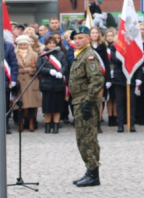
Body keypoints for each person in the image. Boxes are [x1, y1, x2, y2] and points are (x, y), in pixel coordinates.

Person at [68, 26, 105, 187]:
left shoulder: (89, 56)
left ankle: (93, 174)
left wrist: (89, 101)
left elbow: (97, 80)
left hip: (86, 102)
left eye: (81, 38)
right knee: (82, 138)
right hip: (79, 101)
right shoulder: (80, 55)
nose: (77, 41)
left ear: (88, 39)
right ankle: (90, 170)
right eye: (75, 38)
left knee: (88, 138)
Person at [37, 36, 67, 133]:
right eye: (50, 43)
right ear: (46, 44)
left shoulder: (61, 54)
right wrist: (49, 71)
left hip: (58, 83)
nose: (52, 45)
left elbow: (65, 65)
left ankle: (56, 126)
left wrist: (61, 72)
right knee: (47, 107)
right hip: (47, 83)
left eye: (54, 43)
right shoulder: (42, 54)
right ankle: (47, 125)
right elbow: (39, 68)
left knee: (57, 106)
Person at [14, 35, 42, 131]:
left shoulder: (34, 54)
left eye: (24, 44)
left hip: (31, 81)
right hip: (19, 81)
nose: (23, 46)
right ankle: (21, 123)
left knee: (31, 104)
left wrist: (28, 70)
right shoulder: (15, 54)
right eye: (21, 45)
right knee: (20, 105)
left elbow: (37, 68)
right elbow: (13, 67)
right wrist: (20, 71)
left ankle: (31, 123)